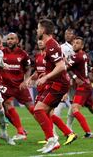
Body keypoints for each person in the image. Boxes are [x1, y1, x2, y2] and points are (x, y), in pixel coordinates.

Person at [32, 19, 77, 154]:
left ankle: (52, 140)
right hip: (55, 83)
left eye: (38, 28)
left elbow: (61, 66)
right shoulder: (50, 45)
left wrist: (45, 77)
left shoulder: (51, 45)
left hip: (59, 84)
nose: (37, 30)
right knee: (44, 112)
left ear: (44, 30)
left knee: (38, 110)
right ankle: (52, 141)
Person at [0, 33, 34, 142]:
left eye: (12, 39)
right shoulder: (1, 53)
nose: (10, 41)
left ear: (17, 40)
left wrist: (26, 80)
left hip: (20, 86)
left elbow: (28, 68)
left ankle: (49, 133)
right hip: (5, 86)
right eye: (8, 39)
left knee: (33, 109)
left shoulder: (23, 54)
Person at [54, 28, 76, 131]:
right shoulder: (61, 47)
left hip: (76, 79)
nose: (68, 35)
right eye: (66, 33)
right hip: (64, 78)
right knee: (60, 101)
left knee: (74, 103)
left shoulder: (77, 47)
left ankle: (69, 126)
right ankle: (54, 130)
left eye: (70, 33)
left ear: (73, 35)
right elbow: (61, 64)